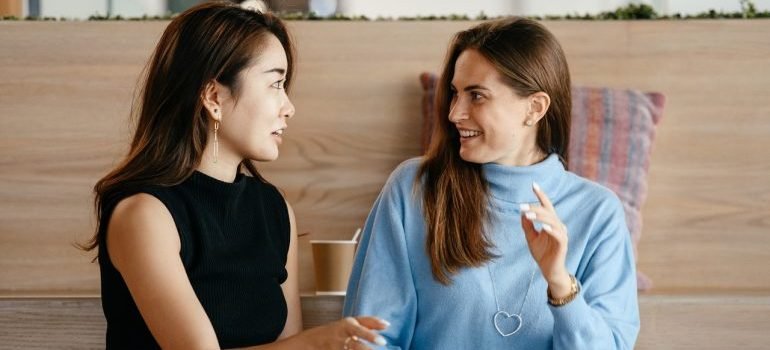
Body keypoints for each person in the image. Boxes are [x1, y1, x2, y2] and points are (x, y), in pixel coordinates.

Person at [80, 2, 388, 349]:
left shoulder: (274, 209)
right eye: (275, 84)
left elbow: (284, 342)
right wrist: (316, 343)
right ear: (214, 97)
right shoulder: (144, 215)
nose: (289, 108)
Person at [343, 18, 639, 349]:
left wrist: (559, 282)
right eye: (455, 93)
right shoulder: (414, 189)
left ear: (535, 108)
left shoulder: (599, 213)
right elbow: (368, 340)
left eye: (477, 96)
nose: (455, 113)